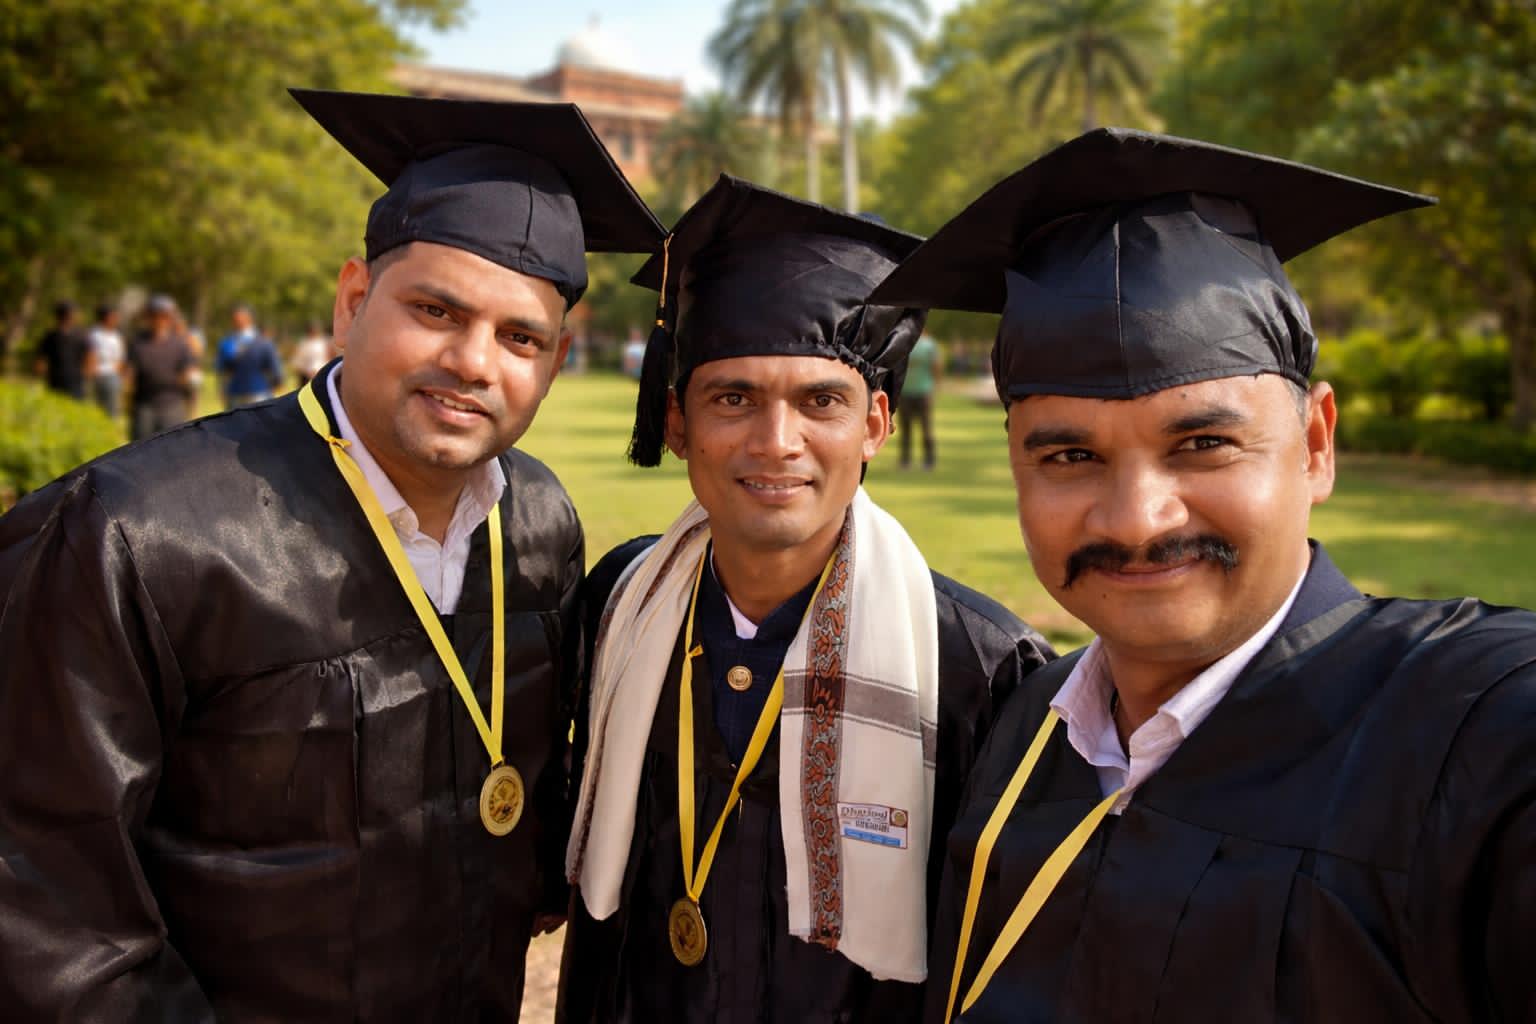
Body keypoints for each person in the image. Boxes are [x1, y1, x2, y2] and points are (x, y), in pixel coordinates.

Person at [0, 88, 664, 1020]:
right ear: (353, 302)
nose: (474, 362)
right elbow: (42, 906)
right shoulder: (136, 536)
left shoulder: (539, 524)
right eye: (435, 309)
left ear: (553, 366)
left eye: (521, 337)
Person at [866, 128, 1536, 1022]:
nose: (1136, 520)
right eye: (1070, 456)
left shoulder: (1473, 735)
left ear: (1315, 445)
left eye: (1203, 444)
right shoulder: (1026, 729)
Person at [559, 176, 1054, 1024]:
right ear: (676, 423)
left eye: (821, 401)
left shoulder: (976, 667)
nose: (776, 442)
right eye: (733, 398)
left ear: (876, 426)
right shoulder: (620, 602)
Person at [125, 294, 196, 440]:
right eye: (155, 315)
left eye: (164, 316)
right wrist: (128, 401)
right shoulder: (137, 343)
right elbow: (129, 376)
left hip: (172, 406)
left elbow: (188, 375)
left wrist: (189, 401)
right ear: (148, 317)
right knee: (140, 448)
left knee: (171, 447)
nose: (160, 320)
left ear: (170, 318)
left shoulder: (180, 345)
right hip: (144, 406)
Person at [215, 303, 284, 406]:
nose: (237, 320)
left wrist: (275, 386)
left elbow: (275, 369)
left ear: (249, 318)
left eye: (240, 317)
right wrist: (222, 389)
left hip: (259, 394)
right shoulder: (227, 342)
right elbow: (222, 369)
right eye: (235, 318)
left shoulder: (264, 342)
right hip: (234, 394)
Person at [899, 332, 940, 470]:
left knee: (926, 427)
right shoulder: (904, 342)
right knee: (906, 429)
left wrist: (934, 387)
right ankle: (905, 460)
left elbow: (936, 366)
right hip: (905, 392)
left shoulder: (929, 345)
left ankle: (929, 461)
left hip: (923, 391)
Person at [33, 299, 90, 399]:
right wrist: (40, 372)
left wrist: (87, 372)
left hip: (76, 380)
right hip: (55, 379)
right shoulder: (51, 336)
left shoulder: (81, 335)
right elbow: (41, 357)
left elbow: (88, 354)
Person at [85, 302, 126, 417]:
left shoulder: (116, 336)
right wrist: (91, 373)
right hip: (97, 376)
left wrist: (118, 375)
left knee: (112, 410)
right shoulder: (94, 334)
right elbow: (90, 355)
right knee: (97, 409)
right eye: (113, 316)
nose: (116, 320)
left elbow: (120, 359)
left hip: (112, 376)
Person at [290, 319, 334, 386]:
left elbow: (329, 357)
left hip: (322, 374)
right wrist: (307, 372)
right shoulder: (304, 343)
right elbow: (298, 362)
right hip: (307, 377)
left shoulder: (324, 342)